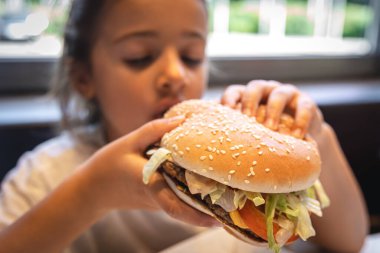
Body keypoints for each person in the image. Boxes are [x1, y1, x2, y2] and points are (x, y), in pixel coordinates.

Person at [0, 0, 368, 252]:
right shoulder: (44, 174)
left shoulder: (241, 161)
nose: (175, 75)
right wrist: (91, 192)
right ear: (84, 78)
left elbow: (351, 242)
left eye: (191, 57)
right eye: (140, 57)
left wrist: (314, 137)